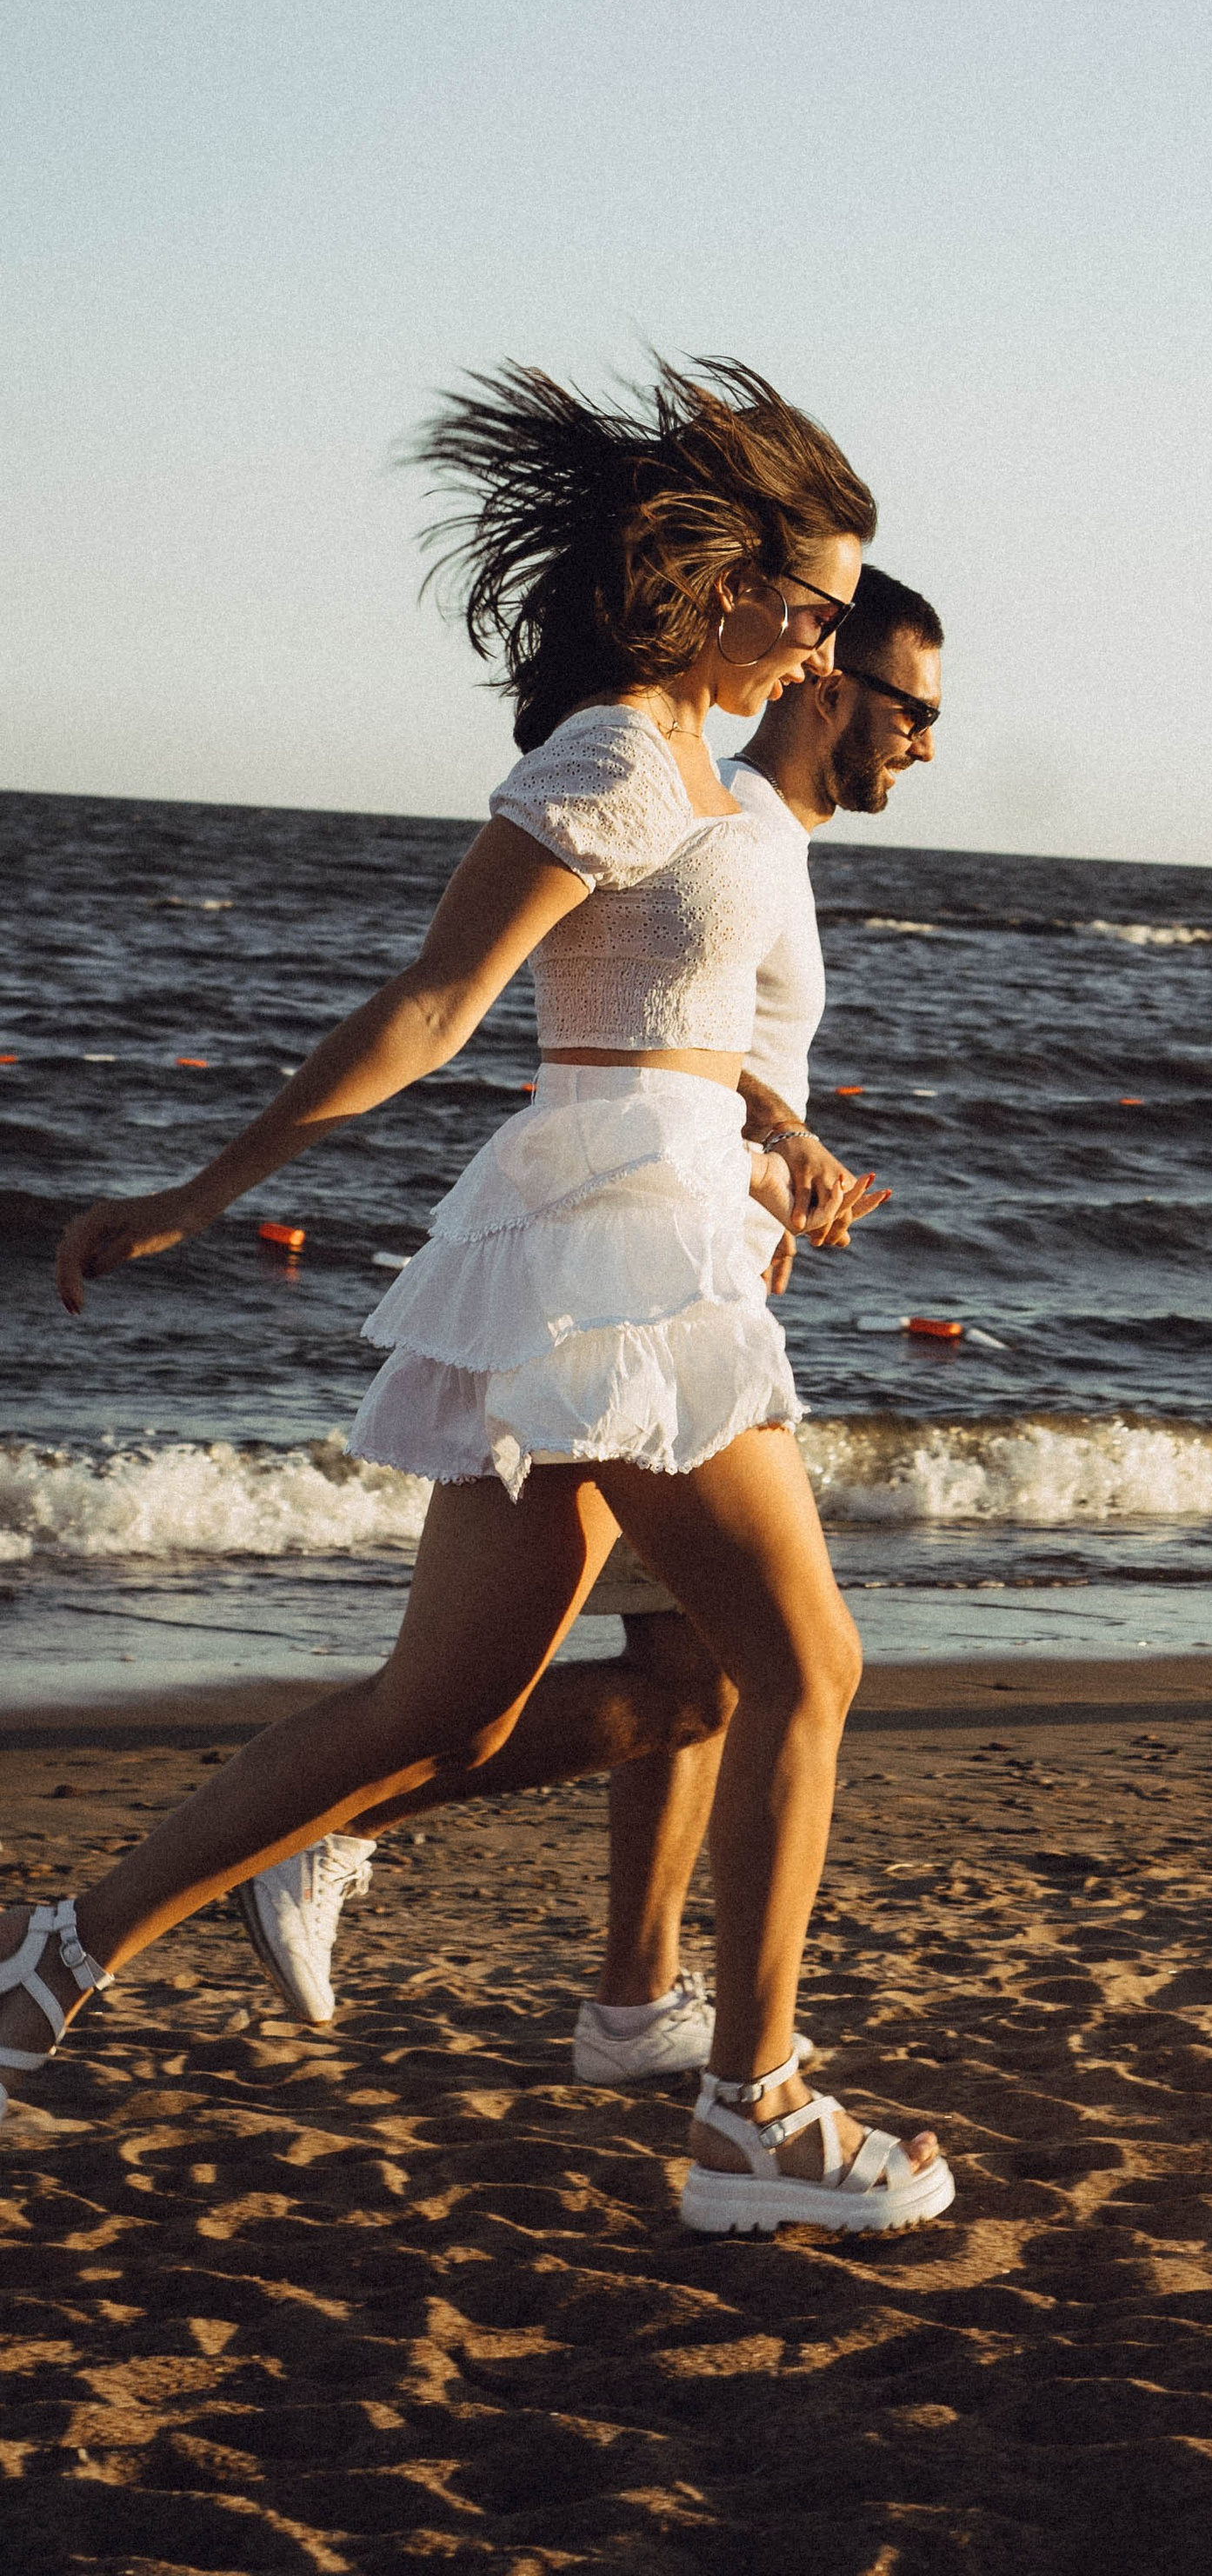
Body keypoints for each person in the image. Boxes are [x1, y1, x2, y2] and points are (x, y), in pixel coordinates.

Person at [3, 358, 953, 2236]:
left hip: (641, 1218)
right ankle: (751, 2116)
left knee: (437, 1710)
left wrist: (775, 1135)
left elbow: (668, 1025)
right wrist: (206, 1188)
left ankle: (53, 1958)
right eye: (816, 606)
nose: (826, 649)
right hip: (612, 1243)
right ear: (726, 581)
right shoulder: (611, 752)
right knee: (803, 1669)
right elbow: (437, 1009)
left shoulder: (697, 778)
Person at [230, 569, 946, 2076]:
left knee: (692, 1672)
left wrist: (775, 1179)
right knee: (706, 1676)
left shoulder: (773, 837)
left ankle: (629, 2000)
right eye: (911, 706)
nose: (928, 741)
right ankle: (325, 1827)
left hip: (692, 1283)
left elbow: (696, 1044)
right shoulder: (731, 815)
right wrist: (762, 1153)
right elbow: (630, 1033)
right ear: (832, 685)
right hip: (638, 1291)